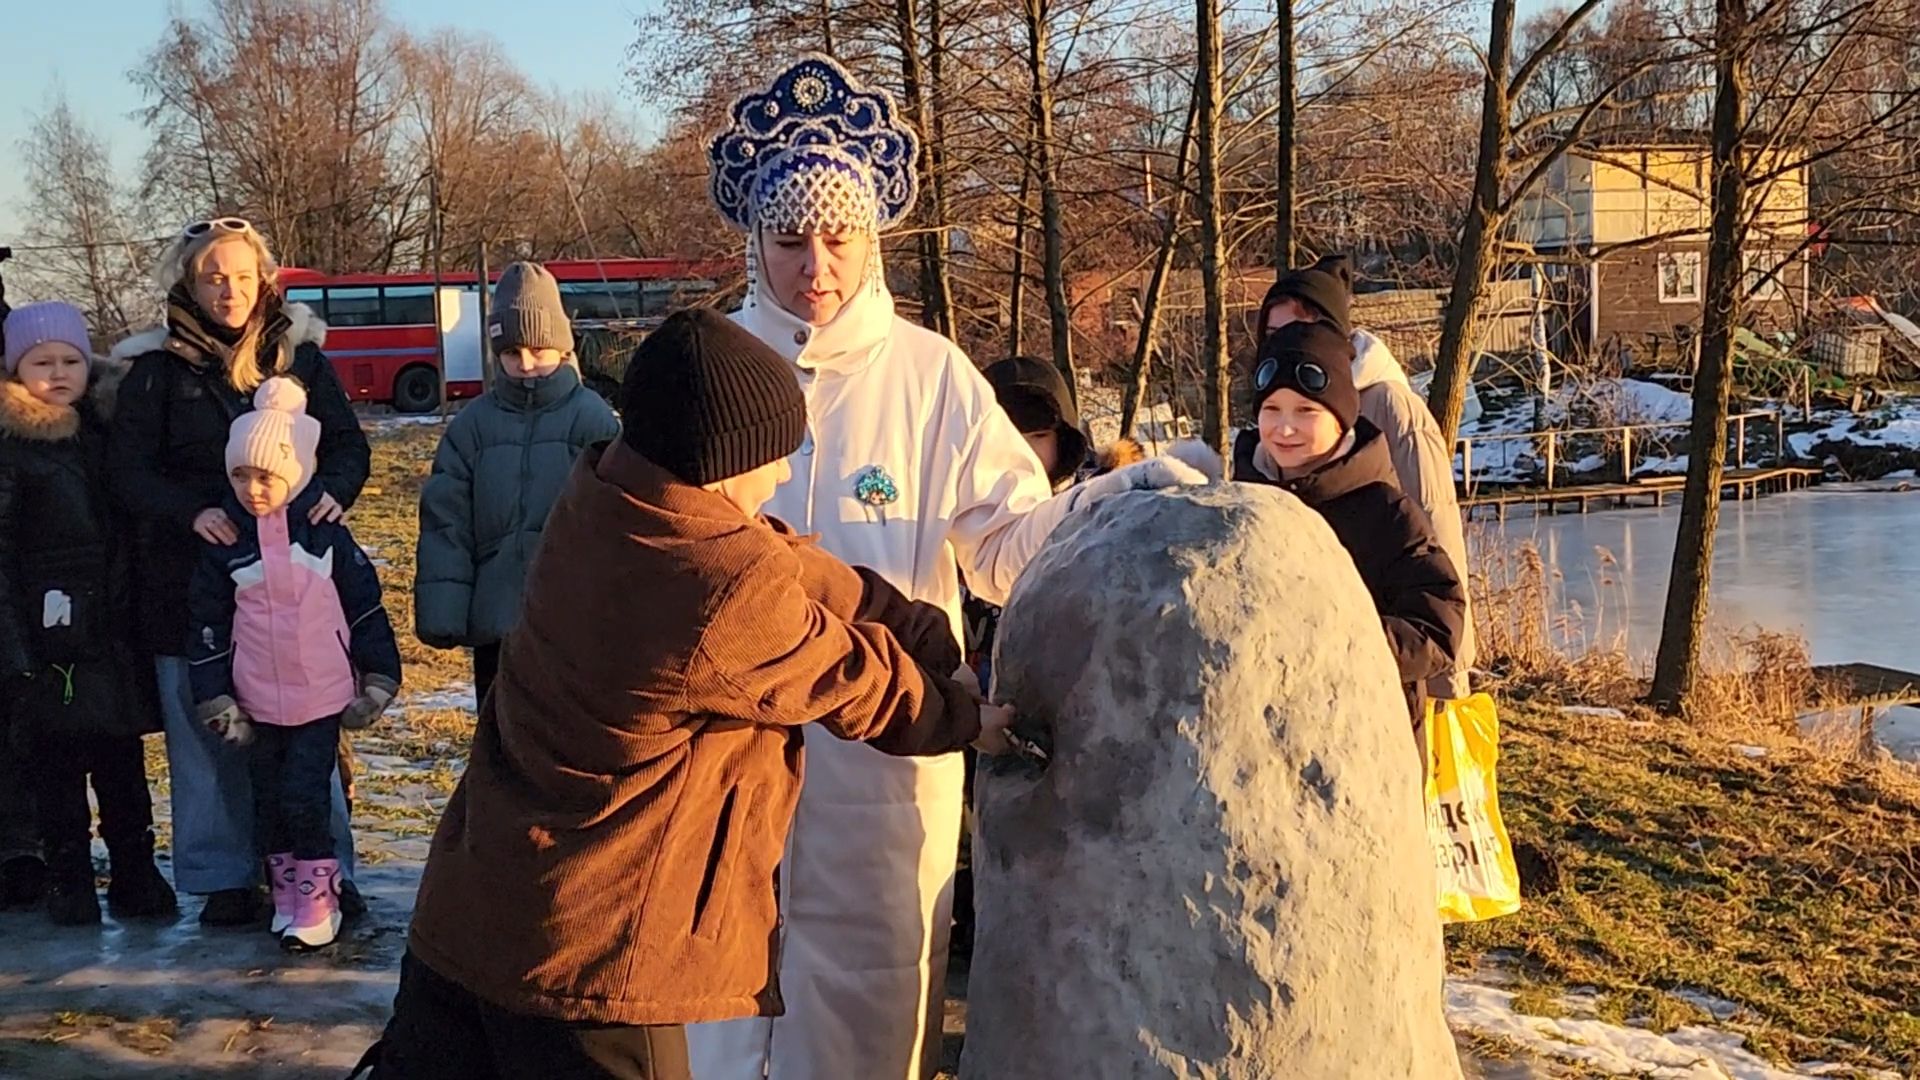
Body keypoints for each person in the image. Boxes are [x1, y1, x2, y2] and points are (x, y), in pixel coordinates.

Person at [691, 57, 1204, 1080]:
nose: (816, 268)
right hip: (728, 745)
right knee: (717, 986)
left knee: (875, 997)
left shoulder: (929, 378)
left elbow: (1006, 555)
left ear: (870, 241)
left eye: (837, 240)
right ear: (757, 244)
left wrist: (1100, 496)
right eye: (791, 242)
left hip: (882, 745)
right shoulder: (712, 364)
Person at [361, 309, 1012, 1080]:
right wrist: (971, 718)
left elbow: (784, 560)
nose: (779, 476)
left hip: (470, 920)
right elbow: (853, 679)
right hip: (589, 966)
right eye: (774, 456)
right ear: (723, 460)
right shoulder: (717, 590)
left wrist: (925, 633)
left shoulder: (608, 496)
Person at [110, 218, 373, 928]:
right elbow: (127, 471)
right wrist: (187, 511)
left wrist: (332, 494)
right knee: (209, 737)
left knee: (310, 740)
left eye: (242, 276)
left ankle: (327, 873)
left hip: (297, 590)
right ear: (189, 285)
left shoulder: (301, 360)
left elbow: (348, 448)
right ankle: (225, 877)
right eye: (212, 277)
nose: (229, 290)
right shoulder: (156, 370)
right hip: (189, 586)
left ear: (265, 280)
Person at [186, 377, 400, 951]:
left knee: (307, 797)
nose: (254, 490)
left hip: (319, 697)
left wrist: (379, 677)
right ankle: (287, 894)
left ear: (298, 473)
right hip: (256, 698)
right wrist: (215, 695)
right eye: (240, 476)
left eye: (266, 477)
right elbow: (208, 625)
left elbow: (365, 609)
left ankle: (318, 900)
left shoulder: (326, 536)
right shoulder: (229, 543)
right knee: (268, 802)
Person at [0, 302, 175, 926]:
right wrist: (16, 651)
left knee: (123, 764)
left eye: (70, 360)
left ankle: (135, 869)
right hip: (50, 637)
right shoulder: (14, 446)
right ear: (17, 369)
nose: (57, 373)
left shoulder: (109, 429)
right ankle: (68, 876)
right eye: (40, 362)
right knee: (57, 770)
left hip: (116, 630)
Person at [1259, 254, 1475, 702]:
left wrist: (1446, 684)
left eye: (1300, 329)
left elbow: (1435, 527)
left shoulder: (1392, 405)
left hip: (1388, 673)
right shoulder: (1272, 424)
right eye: (1273, 334)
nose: (1286, 343)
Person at [1230, 322, 1467, 728]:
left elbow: (1439, 624)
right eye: (1272, 410)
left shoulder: (1384, 510)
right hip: (1262, 736)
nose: (1284, 428)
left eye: (1306, 411)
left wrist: (1343, 643)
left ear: (1341, 418)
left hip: (1364, 738)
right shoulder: (1241, 504)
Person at [414, 261, 620, 703]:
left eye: (537, 350)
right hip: (496, 628)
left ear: (561, 348)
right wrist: (444, 613)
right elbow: (447, 523)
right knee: (500, 746)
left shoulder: (592, 419)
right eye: (511, 352)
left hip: (573, 626)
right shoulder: (472, 427)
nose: (525, 364)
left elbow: (617, 523)